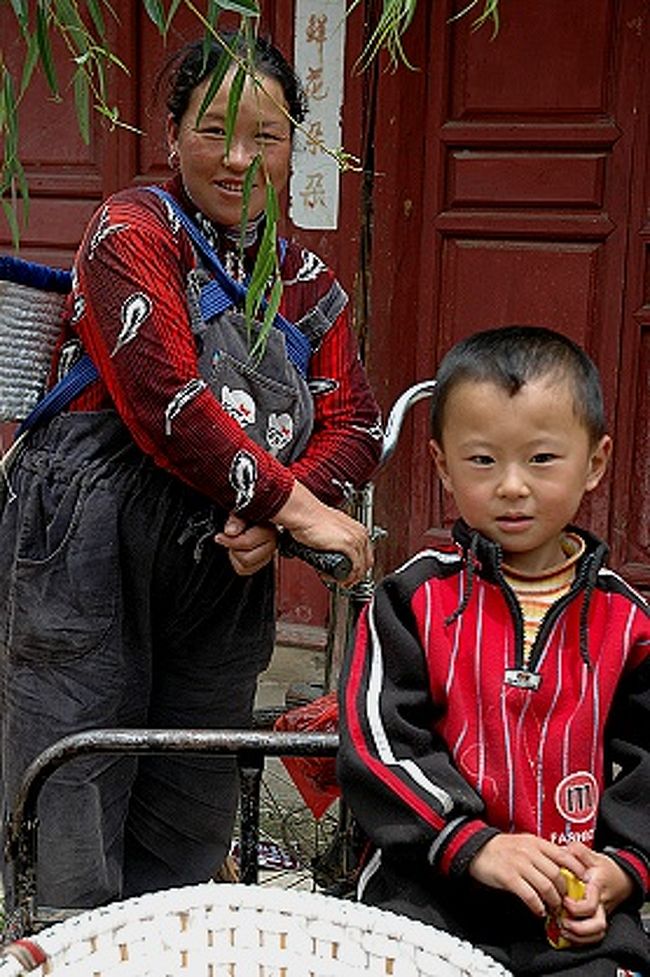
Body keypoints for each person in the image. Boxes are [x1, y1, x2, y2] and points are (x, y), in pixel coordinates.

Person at [0, 32, 381, 911]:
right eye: (214, 130)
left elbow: (356, 416)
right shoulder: (129, 231)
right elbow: (166, 398)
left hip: (222, 551)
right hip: (88, 539)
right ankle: (65, 950)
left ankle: (172, 938)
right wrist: (296, 506)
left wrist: (275, 518)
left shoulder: (304, 278)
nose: (239, 159)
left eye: (268, 137)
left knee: (193, 776)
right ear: (170, 135)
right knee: (76, 765)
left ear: (295, 148)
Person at [337, 326, 649, 976]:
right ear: (443, 465)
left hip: (570, 904)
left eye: (541, 459)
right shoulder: (412, 600)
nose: (511, 485)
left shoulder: (626, 621)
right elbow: (379, 744)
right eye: (482, 460)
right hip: (428, 892)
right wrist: (470, 842)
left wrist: (622, 870)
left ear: (594, 462)